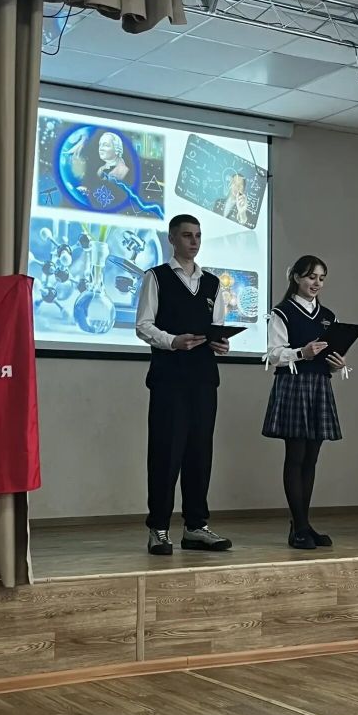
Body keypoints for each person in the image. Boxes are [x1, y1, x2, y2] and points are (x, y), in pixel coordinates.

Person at [135, 214, 233, 556]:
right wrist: (172, 341)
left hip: (204, 379)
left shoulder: (212, 283)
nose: (194, 242)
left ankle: (196, 527)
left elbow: (217, 326)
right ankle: (159, 528)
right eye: (188, 235)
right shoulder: (157, 277)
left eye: (198, 236)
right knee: (165, 452)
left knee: (199, 454)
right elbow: (143, 325)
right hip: (169, 380)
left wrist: (221, 343)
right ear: (172, 239)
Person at [262, 255, 348, 550]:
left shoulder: (329, 316)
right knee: (296, 455)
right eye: (311, 277)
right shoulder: (282, 312)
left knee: (311, 457)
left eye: (321, 278)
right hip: (294, 384)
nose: (317, 283)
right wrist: (302, 353)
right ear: (297, 277)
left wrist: (338, 363)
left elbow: (333, 355)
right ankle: (299, 526)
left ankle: (303, 524)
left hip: (319, 385)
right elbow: (273, 354)